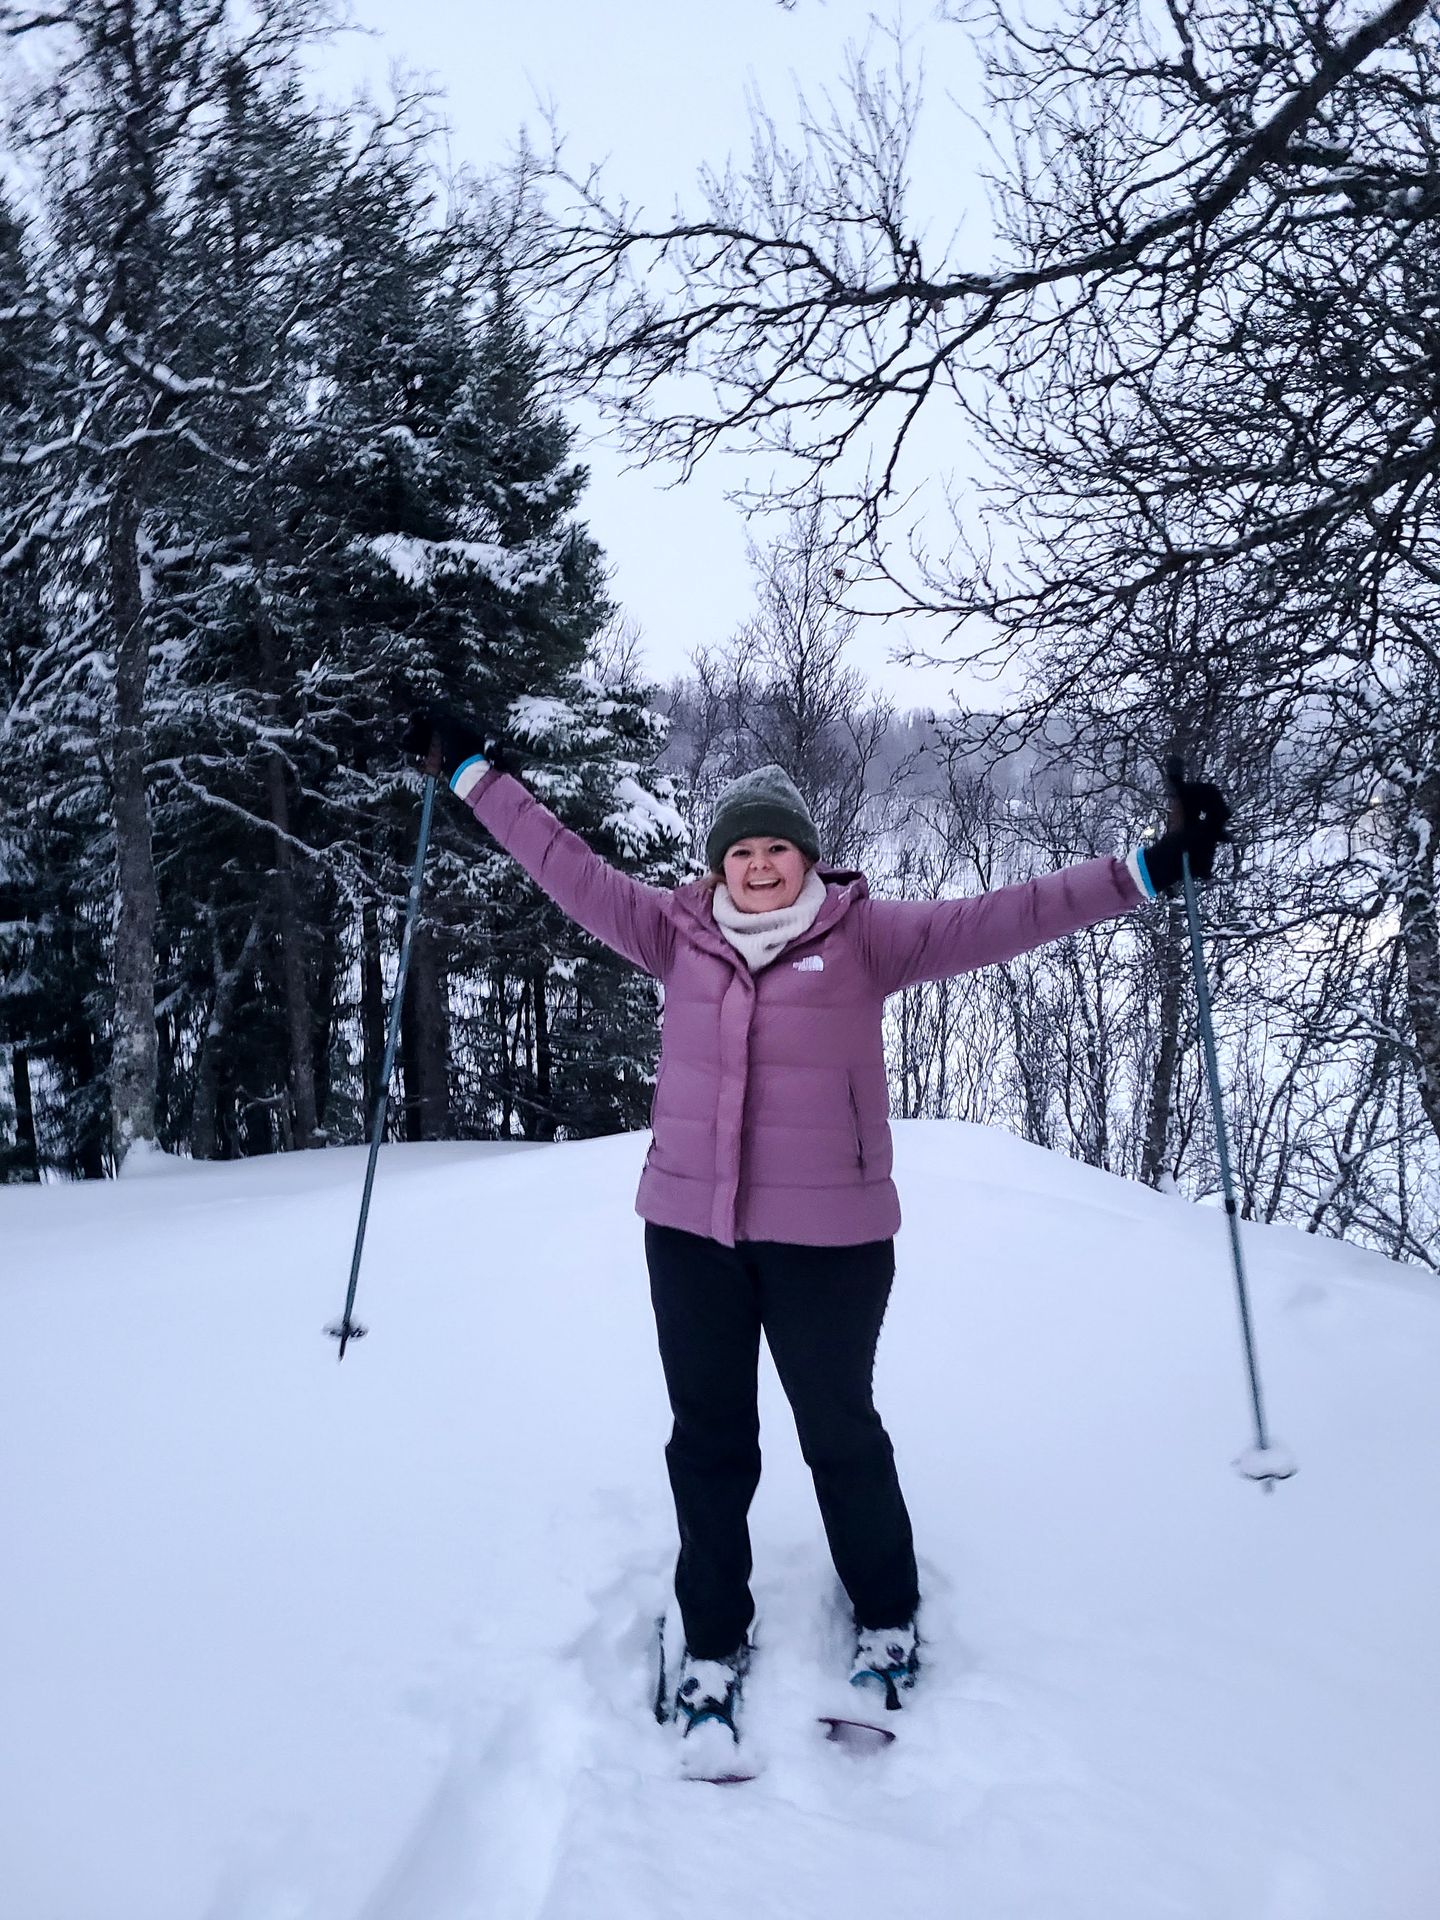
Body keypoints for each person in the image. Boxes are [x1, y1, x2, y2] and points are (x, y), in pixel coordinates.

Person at [404, 711, 1231, 1751]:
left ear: (807, 857)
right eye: (740, 851)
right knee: (709, 1443)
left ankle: (886, 1616)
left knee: (839, 1431)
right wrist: (478, 777)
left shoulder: (866, 939)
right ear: (719, 866)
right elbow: (564, 865)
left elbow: (1010, 914)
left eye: (776, 849)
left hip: (831, 1243)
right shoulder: (673, 930)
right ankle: (713, 1637)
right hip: (690, 1235)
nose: (758, 867)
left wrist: (1146, 872)